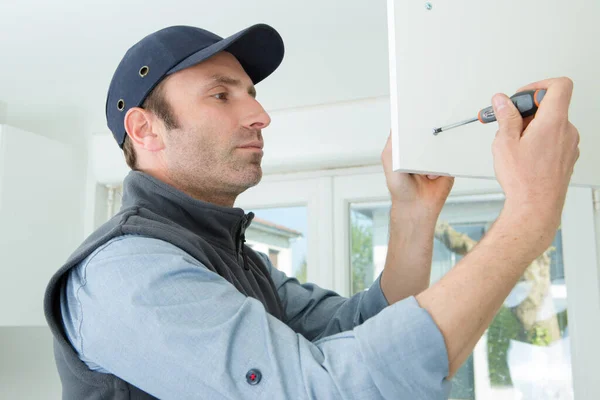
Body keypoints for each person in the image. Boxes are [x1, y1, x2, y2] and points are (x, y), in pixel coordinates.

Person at [43, 23, 580, 400]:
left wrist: (411, 219)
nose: (260, 114)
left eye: (250, 93)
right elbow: (323, 389)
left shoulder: (236, 263)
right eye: (222, 95)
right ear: (145, 129)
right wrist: (529, 217)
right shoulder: (124, 275)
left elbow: (354, 329)